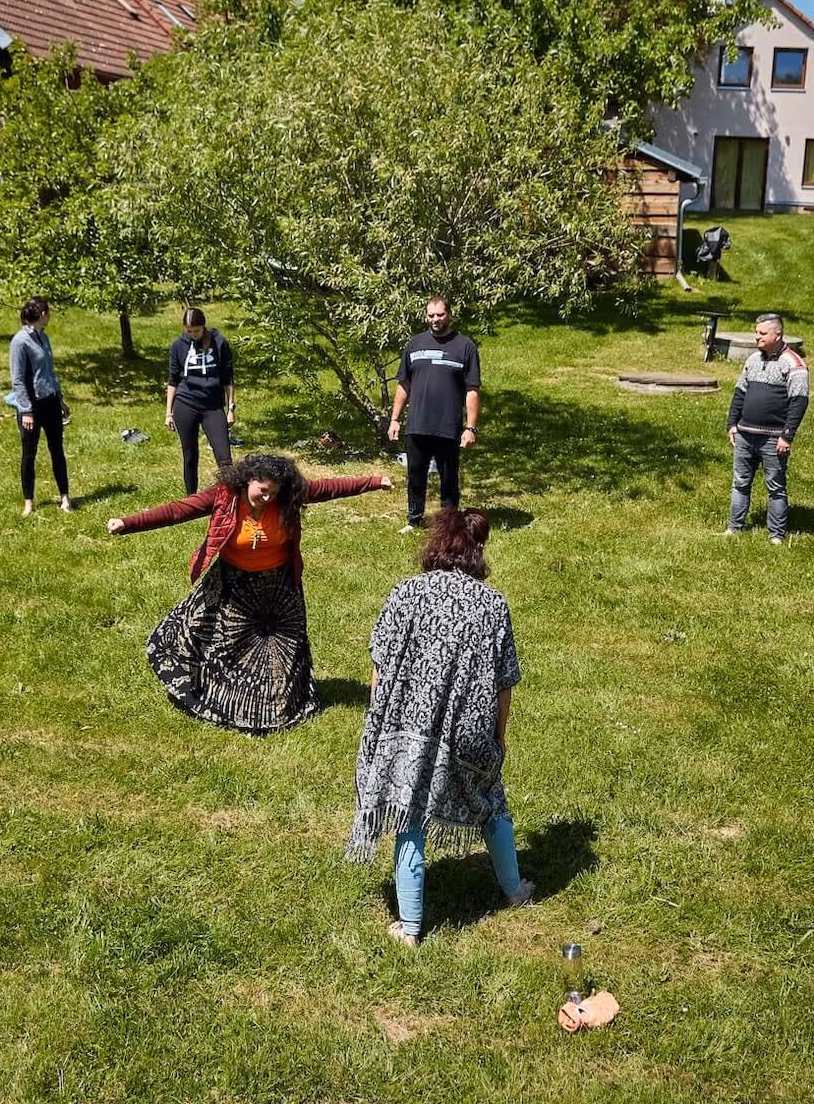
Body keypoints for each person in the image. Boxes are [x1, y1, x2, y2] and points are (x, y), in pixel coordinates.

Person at [347, 508, 533, 946]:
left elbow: (379, 664)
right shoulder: (493, 604)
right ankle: (514, 892)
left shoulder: (404, 593)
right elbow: (504, 682)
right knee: (491, 803)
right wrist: (498, 733)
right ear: (478, 552)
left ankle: (410, 928)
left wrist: (380, 722)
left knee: (411, 815)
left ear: (434, 547)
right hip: (470, 729)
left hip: (406, 728)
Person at [107, 454, 393, 734]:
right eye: (263, 491)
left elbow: (330, 488)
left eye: (274, 493)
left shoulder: (286, 497)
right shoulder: (224, 496)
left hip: (279, 586)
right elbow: (177, 510)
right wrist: (128, 522)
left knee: (281, 649)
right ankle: (222, 700)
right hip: (234, 582)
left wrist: (375, 480)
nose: (268, 499)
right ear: (247, 480)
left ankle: (277, 707)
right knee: (226, 645)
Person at [388, 296, 481, 533]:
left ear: (449, 314)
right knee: (415, 476)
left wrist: (470, 428)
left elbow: (472, 389)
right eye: (431, 315)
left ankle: (449, 525)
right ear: (425, 316)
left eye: (440, 315)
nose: (435, 319)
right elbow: (403, 385)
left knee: (449, 480)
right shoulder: (414, 344)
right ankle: (414, 520)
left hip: (447, 426)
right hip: (417, 425)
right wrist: (395, 419)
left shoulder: (465, 347)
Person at [725, 313, 809, 544]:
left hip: (773, 439)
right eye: (756, 332)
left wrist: (787, 436)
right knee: (740, 483)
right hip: (744, 435)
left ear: (778, 334)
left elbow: (799, 401)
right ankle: (735, 527)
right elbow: (740, 392)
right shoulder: (752, 360)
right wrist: (732, 424)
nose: (757, 337)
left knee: (775, 487)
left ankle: (776, 535)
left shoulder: (794, 364)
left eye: (762, 333)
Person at [9, 297, 71, 516]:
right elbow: (17, 379)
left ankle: (65, 497)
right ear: (42, 314)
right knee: (29, 454)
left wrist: (60, 399)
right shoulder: (20, 341)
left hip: (50, 402)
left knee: (57, 451)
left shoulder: (44, 337)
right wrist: (25, 410)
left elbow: (49, 373)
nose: (50, 315)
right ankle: (29, 501)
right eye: (49, 312)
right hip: (31, 408)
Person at [165, 307, 236, 495]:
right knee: (190, 455)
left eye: (196, 331)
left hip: (212, 406)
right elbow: (173, 381)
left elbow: (228, 378)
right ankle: (191, 500)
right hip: (185, 404)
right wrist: (168, 413)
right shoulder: (178, 346)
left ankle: (231, 496)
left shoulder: (219, 343)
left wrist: (231, 409)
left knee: (224, 457)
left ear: (203, 326)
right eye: (189, 331)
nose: (193, 335)